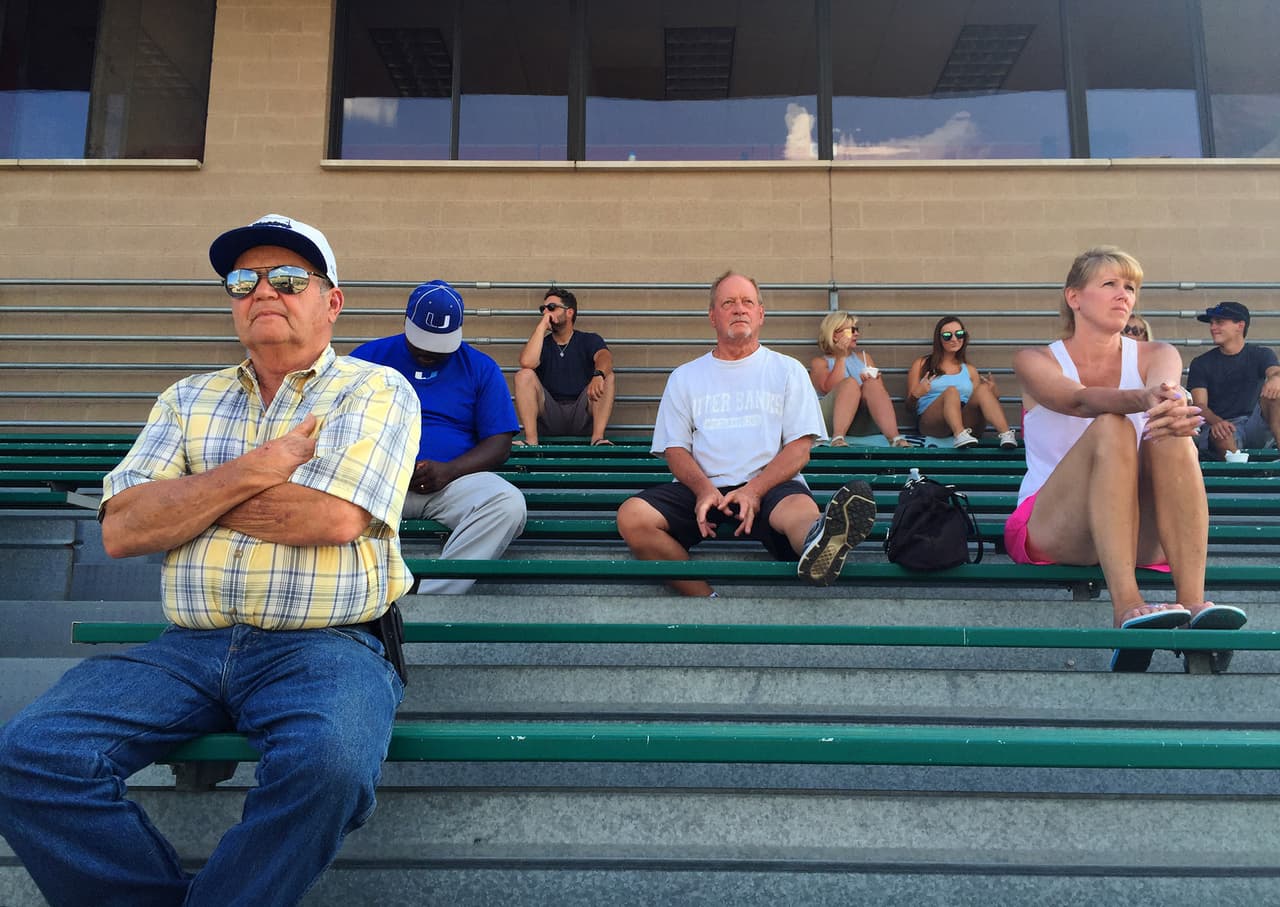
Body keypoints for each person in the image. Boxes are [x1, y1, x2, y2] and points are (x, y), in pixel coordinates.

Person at [0, 214, 421, 903]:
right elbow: (125, 529)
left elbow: (333, 515)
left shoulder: (373, 390)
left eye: (288, 278)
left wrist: (187, 501)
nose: (263, 291)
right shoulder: (185, 398)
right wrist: (264, 465)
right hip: (190, 648)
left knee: (332, 764)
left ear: (331, 301)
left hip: (328, 647)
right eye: (243, 280)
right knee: (33, 751)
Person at [1004, 246, 1245, 673]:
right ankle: (1127, 606)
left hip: (1137, 528)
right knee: (1112, 423)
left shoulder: (1158, 354)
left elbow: (1164, 387)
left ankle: (1192, 602)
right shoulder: (1035, 360)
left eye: (1130, 287)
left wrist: (1170, 403)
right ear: (1074, 297)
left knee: (1170, 431)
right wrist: (1144, 398)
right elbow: (1077, 400)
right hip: (1057, 524)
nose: (1124, 295)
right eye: (1110, 284)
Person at [616, 271, 876, 597]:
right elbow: (675, 449)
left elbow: (799, 450)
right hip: (702, 487)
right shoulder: (685, 377)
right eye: (728, 302)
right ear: (713, 316)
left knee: (799, 512)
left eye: (747, 302)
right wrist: (702, 490)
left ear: (760, 313)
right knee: (632, 515)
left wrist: (754, 490)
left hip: (770, 484)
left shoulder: (787, 370)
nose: (739, 309)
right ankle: (704, 597)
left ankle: (820, 542)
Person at [350, 280, 527, 595]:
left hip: (449, 483)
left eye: (440, 345)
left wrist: (450, 470)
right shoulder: (367, 358)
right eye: (423, 342)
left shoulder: (480, 367)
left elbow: (500, 444)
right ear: (407, 322)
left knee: (507, 503)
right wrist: (383, 465)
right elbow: (342, 427)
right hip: (379, 481)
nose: (430, 353)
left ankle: (433, 597)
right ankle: (363, 596)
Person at [514, 287, 615, 445]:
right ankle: (531, 440)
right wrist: (541, 327)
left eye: (552, 307)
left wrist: (598, 374)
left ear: (569, 312)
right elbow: (527, 363)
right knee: (523, 375)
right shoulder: (541, 344)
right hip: (550, 414)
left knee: (607, 376)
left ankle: (598, 438)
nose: (546, 312)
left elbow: (605, 357)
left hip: (581, 414)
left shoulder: (588, 340)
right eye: (543, 309)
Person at [905, 316, 1018, 449]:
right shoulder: (922, 364)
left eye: (959, 334)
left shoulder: (970, 370)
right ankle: (959, 435)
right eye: (947, 336)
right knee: (951, 391)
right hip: (933, 423)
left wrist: (994, 395)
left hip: (967, 423)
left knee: (983, 390)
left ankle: (1006, 435)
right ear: (938, 339)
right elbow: (909, 408)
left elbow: (979, 406)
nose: (954, 339)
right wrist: (916, 394)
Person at [1186, 301, 1280, 459]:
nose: (1212, 327)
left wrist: (1276, 379)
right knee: (1222, 433)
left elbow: (1274, 372)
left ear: (1240, 325)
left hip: (1254, 425)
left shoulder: (1261, 354)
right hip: (1221, 426)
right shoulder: (1201, 363)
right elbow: (1199, 405)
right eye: (1212, 323)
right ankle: (1239, 474)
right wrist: (1216, 422)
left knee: (1276, 394)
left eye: (1219, 322)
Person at [809, 311, 910, 447]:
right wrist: (840, 357)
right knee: (850, 383)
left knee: (872, 384)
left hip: (861, 420)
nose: (856, 334)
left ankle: (895, 439)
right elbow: (828, 388)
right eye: (851, 330)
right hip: (830, 420)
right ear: (834, 335)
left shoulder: (864, 358)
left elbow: (880, 394)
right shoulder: (820, 362)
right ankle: (837, 437)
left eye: (856, 329)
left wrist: (871, 381)